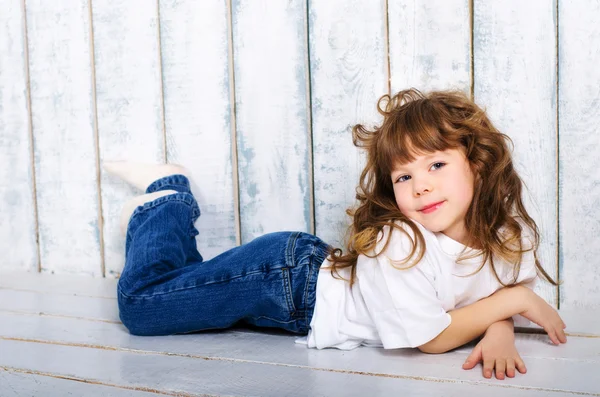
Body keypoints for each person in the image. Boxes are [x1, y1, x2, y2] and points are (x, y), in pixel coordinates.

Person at [104, 88, 566, 381]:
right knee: (142, 307)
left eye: (436, 165)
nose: (420, 184)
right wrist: (514, 305)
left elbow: (497, 291)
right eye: (403, 177)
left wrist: (500, 328)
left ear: (479, 165)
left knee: (179, 284)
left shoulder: (504, 236)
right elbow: (432, 338)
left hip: (296, 278)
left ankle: (165, 218)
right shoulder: (400, 241)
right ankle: (168, 195)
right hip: (285, 281)